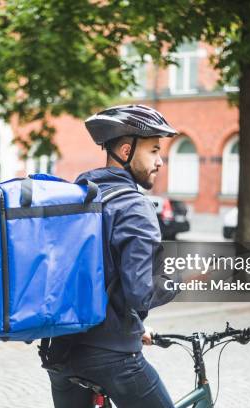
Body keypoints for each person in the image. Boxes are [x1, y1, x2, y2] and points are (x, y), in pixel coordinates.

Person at [46, 105, 180, 408]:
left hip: (62, 352)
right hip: (112, 358)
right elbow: (140, 292)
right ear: (125, 149)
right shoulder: (134, 207)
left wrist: (134, 326)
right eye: (154, 150)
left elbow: (97, 275)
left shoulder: (80, 197)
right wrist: (182, 279)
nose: (160, 161)